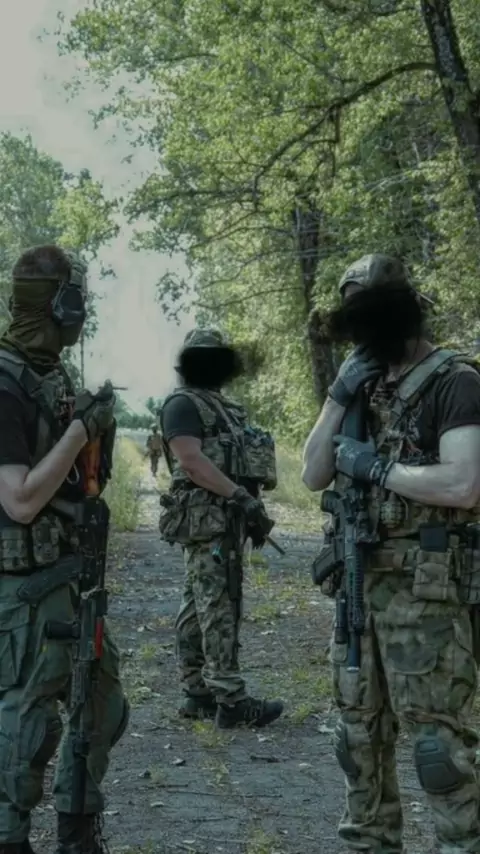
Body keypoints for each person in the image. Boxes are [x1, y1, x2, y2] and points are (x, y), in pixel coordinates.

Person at [302, 254, 480, 854]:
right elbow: (312, 473)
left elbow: (464, 483)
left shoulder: (456, 381)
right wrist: (336, 396)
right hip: (357, 593)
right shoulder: (361, 386)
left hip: (425, 598)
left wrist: (378, 468)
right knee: (356, 741)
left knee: (438, 750)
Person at [0, 246, 129, 854]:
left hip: (70, 575)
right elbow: (20, 499)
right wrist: (81, 429)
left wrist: (97, 430)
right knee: (25, 728)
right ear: (56, 304)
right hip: (21, 589)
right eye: (76, 299)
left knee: (101, 705)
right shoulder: (5, 383)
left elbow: (75, 481)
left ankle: (78, 832)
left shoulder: (53, 377)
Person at [159, 327, 283, 729]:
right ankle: (230, 699)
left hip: (226, 520)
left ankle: (197, 693)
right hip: (208, 521)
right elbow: (191, 462)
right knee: (220, 605)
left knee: (199, 605)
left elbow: (240, 465)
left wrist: (252, 510)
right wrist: (240, 497)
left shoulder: (223, 409)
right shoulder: (183, 405)